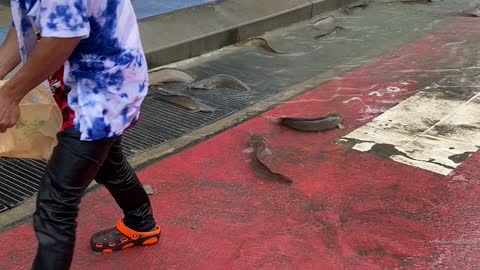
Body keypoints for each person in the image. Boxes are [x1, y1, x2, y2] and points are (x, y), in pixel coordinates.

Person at [0, 1, 160, 269]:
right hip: (78, 82)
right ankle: (140, 222)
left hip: (103, 91)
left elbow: (65, 35)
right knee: (108, 162)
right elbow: (26, 19)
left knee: (56, 205)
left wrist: (11, 94)